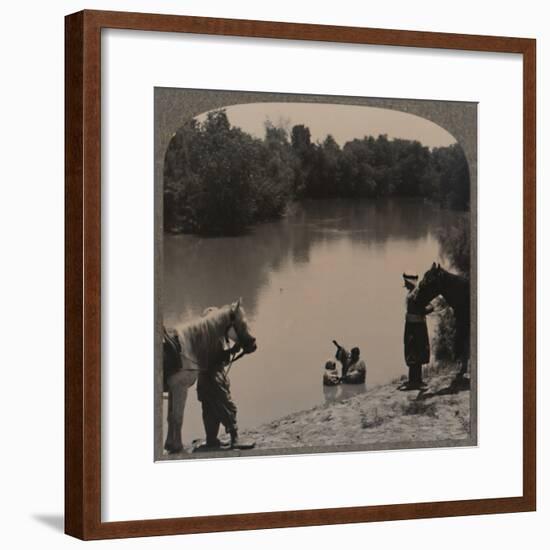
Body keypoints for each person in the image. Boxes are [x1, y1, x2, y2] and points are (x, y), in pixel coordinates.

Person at [196, 340, 255, 450]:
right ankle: (234, 438)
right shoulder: (210, 335)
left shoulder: (202, 333)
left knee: (210, 409)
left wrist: (231, 351)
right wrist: (232, 350)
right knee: (227, 407)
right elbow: (214, 357)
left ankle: (211, 440)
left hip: (204, 379)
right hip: (213, 378)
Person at [403, 273, 433, 389]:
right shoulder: (412, 293)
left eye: (406, 282)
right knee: (411, 351)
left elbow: (431, 306)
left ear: (410, 282)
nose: (405, 285)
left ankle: (417, 381)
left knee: (417, 350)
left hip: (418, 326)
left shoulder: (418, 293)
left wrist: (422, 311)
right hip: (411, 325)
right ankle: (413, 380)